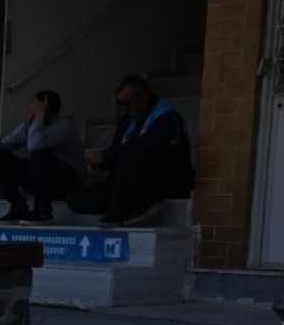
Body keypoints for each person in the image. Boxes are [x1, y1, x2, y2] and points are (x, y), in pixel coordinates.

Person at [68, 74, 195, 227]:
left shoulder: (166, 116)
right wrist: (104, 164)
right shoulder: (127, 119)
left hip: (161, 180)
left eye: (127, 102)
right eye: (120, 103)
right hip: (126, 182)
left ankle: (123, 212)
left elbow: (143, 148)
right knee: (76, 199)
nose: (124, 107)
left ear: (145, 94)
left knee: (130, 156)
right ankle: (133, 207)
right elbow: (117, 149)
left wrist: (107, 157)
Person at [0, 90, 89, 223]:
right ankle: (19, 208)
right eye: (32, 110)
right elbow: (0, 148)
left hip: (70, 183)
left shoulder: (64, 127)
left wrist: (39, 118)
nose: (32, 114)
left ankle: (43, 211)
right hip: (43, 183)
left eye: (37, 111)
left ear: (51, 113)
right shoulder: (28, 127)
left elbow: (36, 145)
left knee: (39, 156)